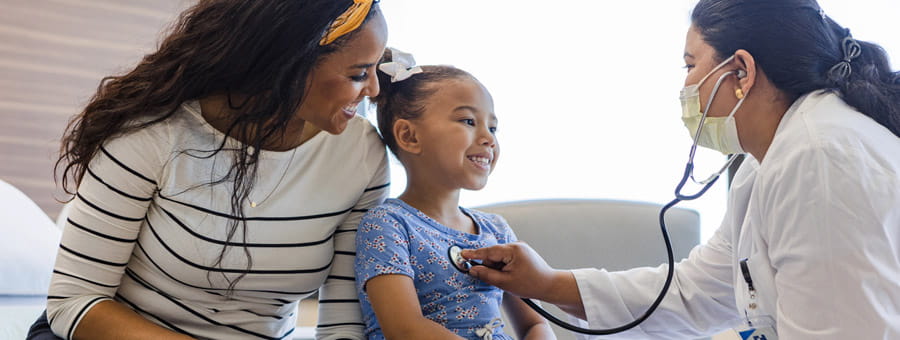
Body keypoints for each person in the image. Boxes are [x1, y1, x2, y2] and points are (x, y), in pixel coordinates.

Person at [461, 0, 900, 338]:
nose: (686, 85)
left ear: (741, 71)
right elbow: (696, 291)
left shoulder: (818, 157)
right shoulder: (764, 164)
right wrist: (548, 283)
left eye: (691, 66)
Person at [30, 1, 390, 339]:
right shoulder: (152, 134)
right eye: (359, 73)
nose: (373, 89)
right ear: (288, 63)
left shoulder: (361, 154)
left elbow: (344, 321)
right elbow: (73, 303)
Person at [353, 48, 556, 340]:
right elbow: (405, 330)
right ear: (409, 136)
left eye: (493, 127)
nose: (488, 139)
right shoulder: (386, 225)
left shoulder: (496, 231)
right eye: (468, 121)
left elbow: (536, 324)